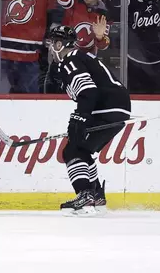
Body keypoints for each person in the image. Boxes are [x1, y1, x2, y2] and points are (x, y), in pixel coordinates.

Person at [48, 25, 131, 216]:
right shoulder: (78, 58)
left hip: (106, 107)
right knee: (82, 150)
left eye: (53, 42)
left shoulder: (70, 60)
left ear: (61, 44)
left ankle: (85, 195)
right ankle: (96, 195)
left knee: (72, 150)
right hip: (116, 106)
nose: (51, 47)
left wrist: (79, 118)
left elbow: (88, 91)